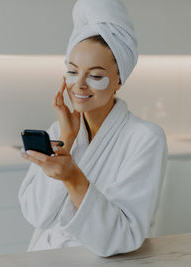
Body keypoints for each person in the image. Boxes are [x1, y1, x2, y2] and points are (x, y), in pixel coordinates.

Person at [18, 0, 168, 257]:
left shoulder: (144, 138)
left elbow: (123, 236)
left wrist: (72, 176)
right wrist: (65, 141)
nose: (79, 85)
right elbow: (36, 216)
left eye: (96, 76)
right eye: (73, 71)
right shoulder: (59, 131)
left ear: (119, 79)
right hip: (46, 256)